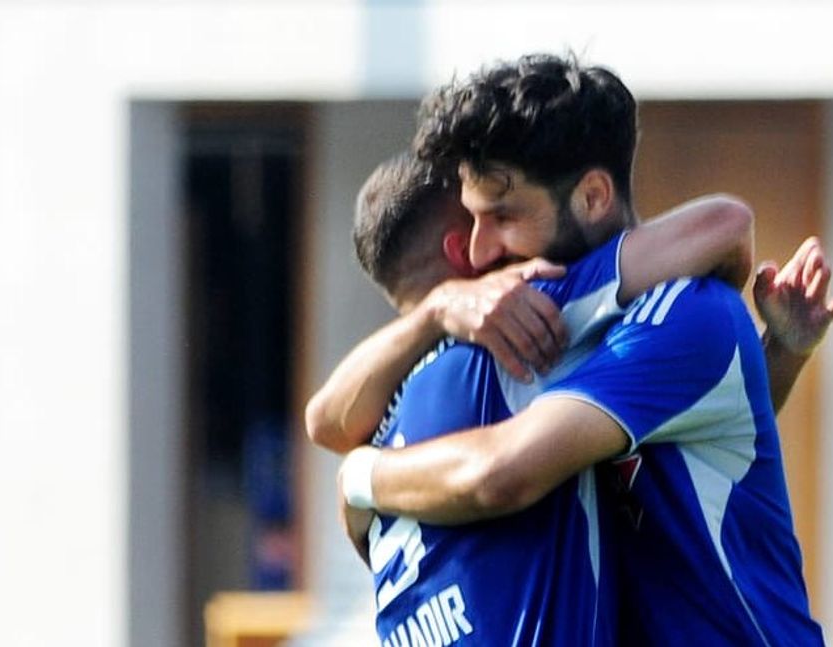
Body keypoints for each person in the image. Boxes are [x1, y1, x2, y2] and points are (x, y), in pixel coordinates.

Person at [334, 53, 833, 645]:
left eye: (503, 215)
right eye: (472, 220)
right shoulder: (568, 335)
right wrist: (779, 353)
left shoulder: (684, 314)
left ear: (594, 197)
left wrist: (362, 476)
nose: (477, 254)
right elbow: (328, 416)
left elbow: (502, 473)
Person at [309, 150, 762, 645]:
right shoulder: (521, 334)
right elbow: (722, 225)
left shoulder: (378, 414)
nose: (505, 240)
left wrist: (358, 476)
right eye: (495, 217)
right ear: (465, 250)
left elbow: (322, 421)